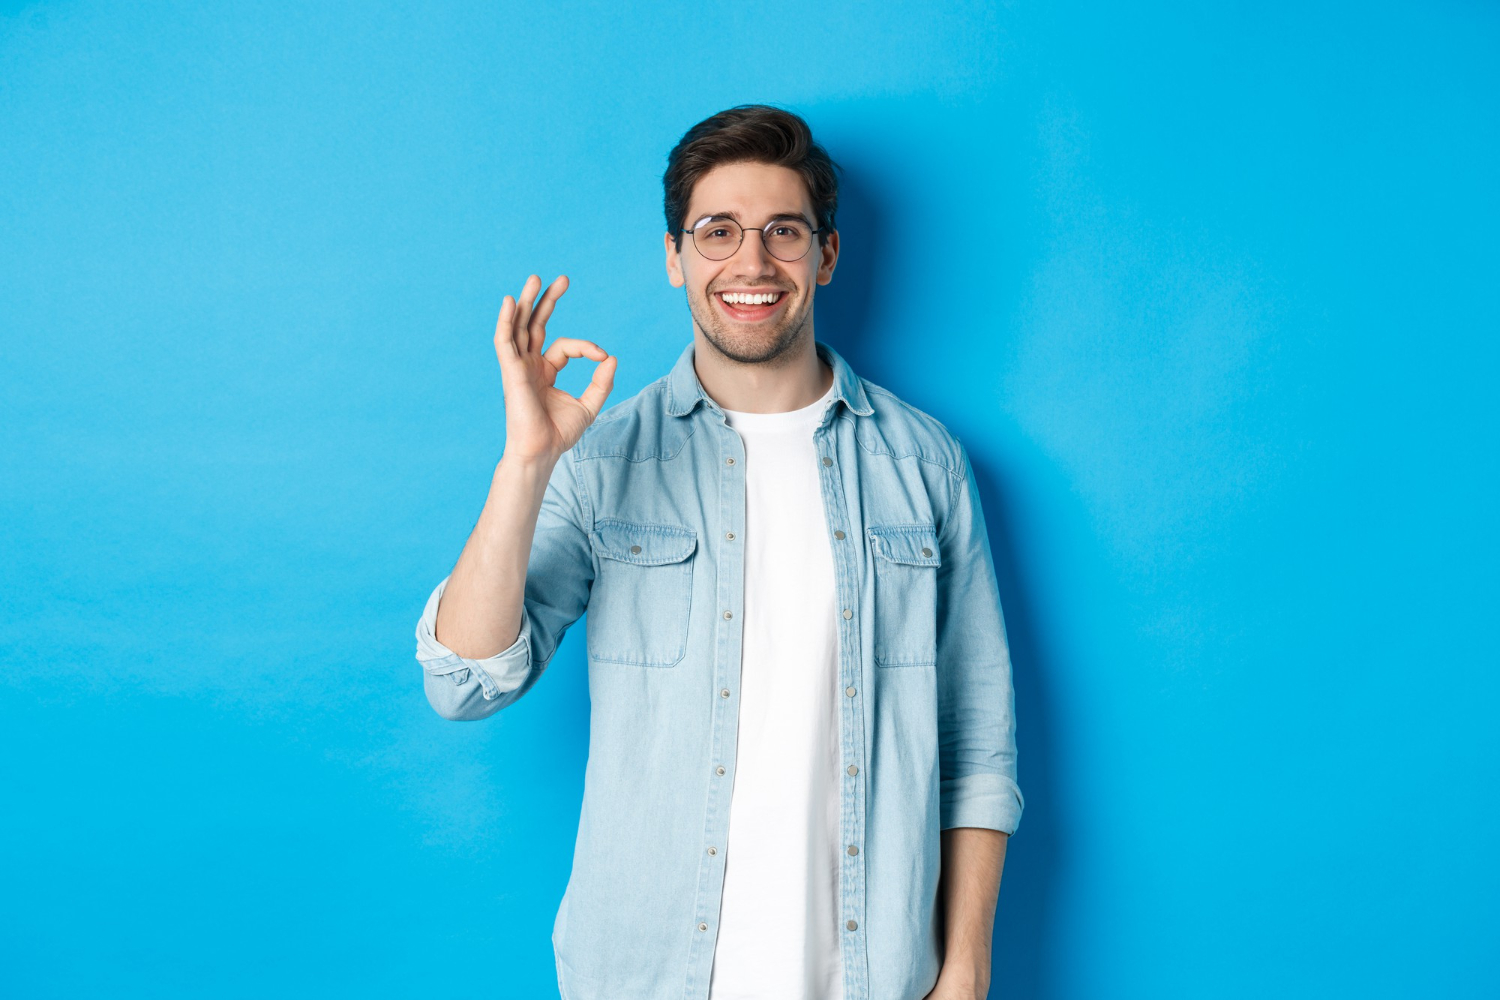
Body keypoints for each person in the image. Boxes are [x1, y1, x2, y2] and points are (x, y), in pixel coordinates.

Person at [414, 104, 1022, 1000]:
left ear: (826, 255)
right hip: (647, 975)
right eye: (718, 232)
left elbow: (976, 745)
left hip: (872, 976)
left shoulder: (923, 463)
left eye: (783, 231)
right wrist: (527, 463)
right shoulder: (603, 460)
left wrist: (965, 970)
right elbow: (462, 683)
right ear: (674, 258)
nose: (751, 263)